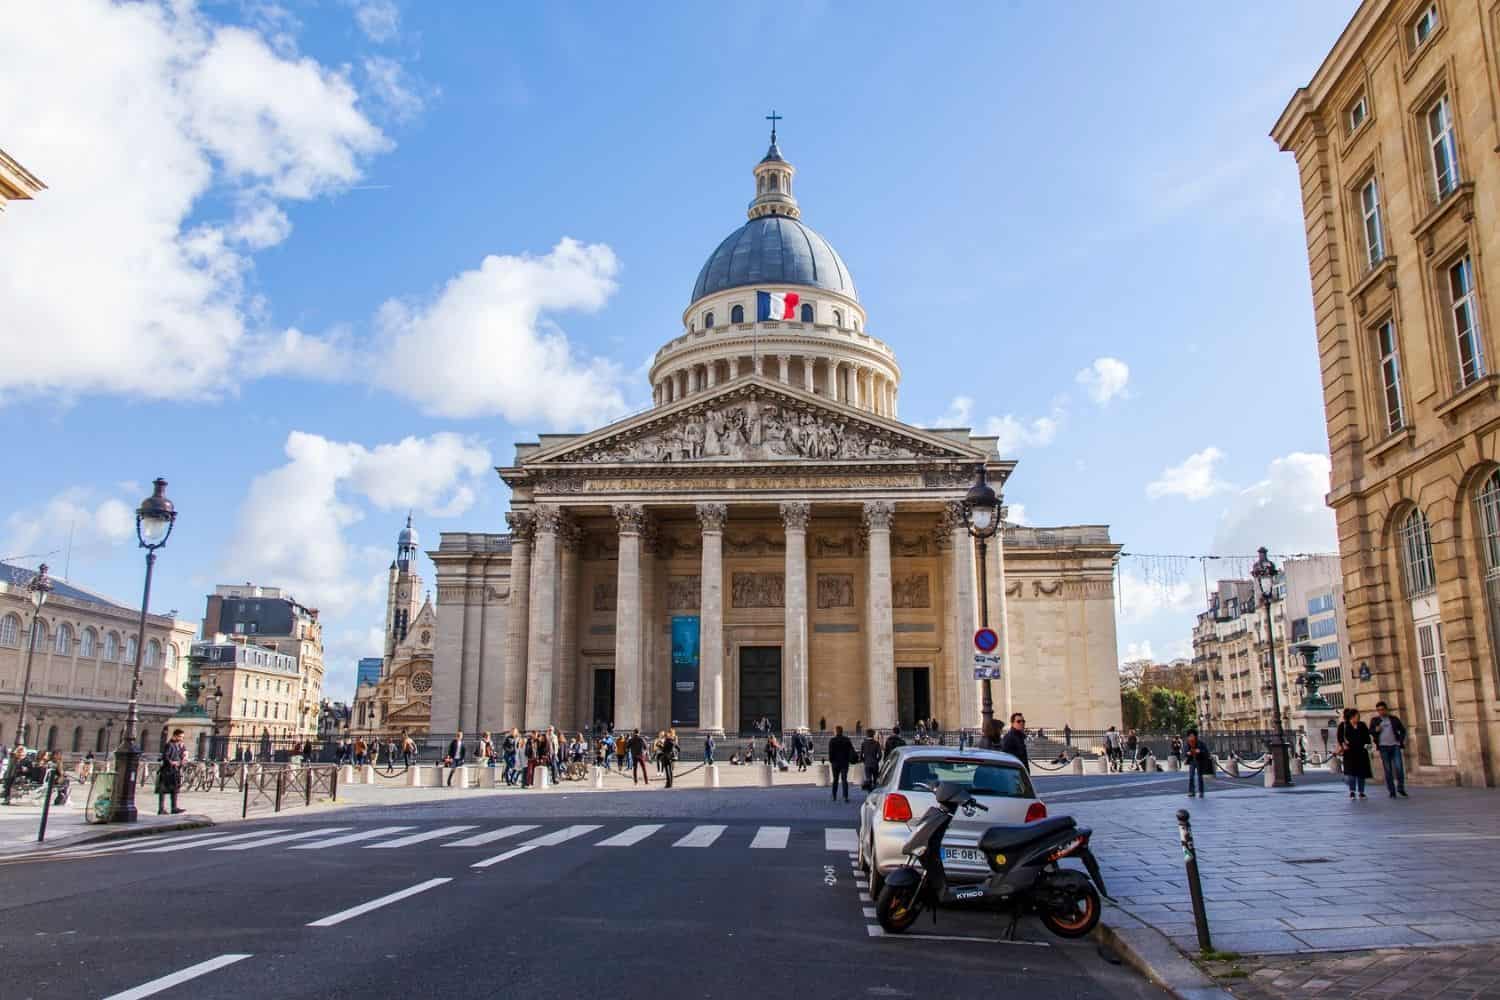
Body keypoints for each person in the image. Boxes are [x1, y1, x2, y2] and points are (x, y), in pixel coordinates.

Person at [1370, 700, 1409, 798]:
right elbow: (1370, 731)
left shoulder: (1393, 719)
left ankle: (1400, 788)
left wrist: (1400, 740)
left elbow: (1403, 730)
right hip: (1383, 747)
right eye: (1378, 710)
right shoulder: (1375, 720)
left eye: (1382, 709)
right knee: (1388, 770)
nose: (1381, 712)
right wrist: (1376, 730)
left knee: (1399, 768)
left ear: (1386, 710)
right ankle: (1392, 791)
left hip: (1395, 745)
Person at [1338, 707, 1373, 800]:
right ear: (1352, 717)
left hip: (1362, 753)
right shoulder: (1344, 725)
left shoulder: (1362, 725)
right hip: (1350, 753)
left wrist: (1369, 750)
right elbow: (1340, 738)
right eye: (1357, 716)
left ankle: (1361, 792)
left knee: (1361, 774)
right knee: (1351, 774)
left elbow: (1367, 739)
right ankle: (1352, 791)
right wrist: (1343, 745)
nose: (1358, 717)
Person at [157, 729, 187, 815]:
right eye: (180, 737)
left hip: (174, 771)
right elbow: (165, 756)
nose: (181, 738)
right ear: (175, 736)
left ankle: (174, 807)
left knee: (174, 789)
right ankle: (161, 809)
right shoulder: (169, 745)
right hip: (168, 770)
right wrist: (172, 762)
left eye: (182, 737)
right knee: (163, 790)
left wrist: (183, 757)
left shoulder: (178, 745)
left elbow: (181, 754)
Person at [828, 725, 854, 802]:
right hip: (845, 762)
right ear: (842, 731)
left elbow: (830, 752)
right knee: (844, 780)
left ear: (836, 731)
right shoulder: (847, 740)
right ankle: (845, 796)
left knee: (835, 779)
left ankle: (834, 796)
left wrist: (831, 760)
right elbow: (851, 750)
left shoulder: (832, 740)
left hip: (835, 763)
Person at [1184, 730, 1211, 797]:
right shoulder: (1188, 743)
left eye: (1192, 736)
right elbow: (1185, 751)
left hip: (1199, 761)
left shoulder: (1200, 743)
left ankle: (1201, 792)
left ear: (1195, 736)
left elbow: (1206, 752)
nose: (1191, 737)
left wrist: (1199, 751)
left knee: (1200, 777)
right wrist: (1187, 753)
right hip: (1192, 761)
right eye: (1190, 736)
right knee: (1191, 776)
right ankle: (1191, 792)